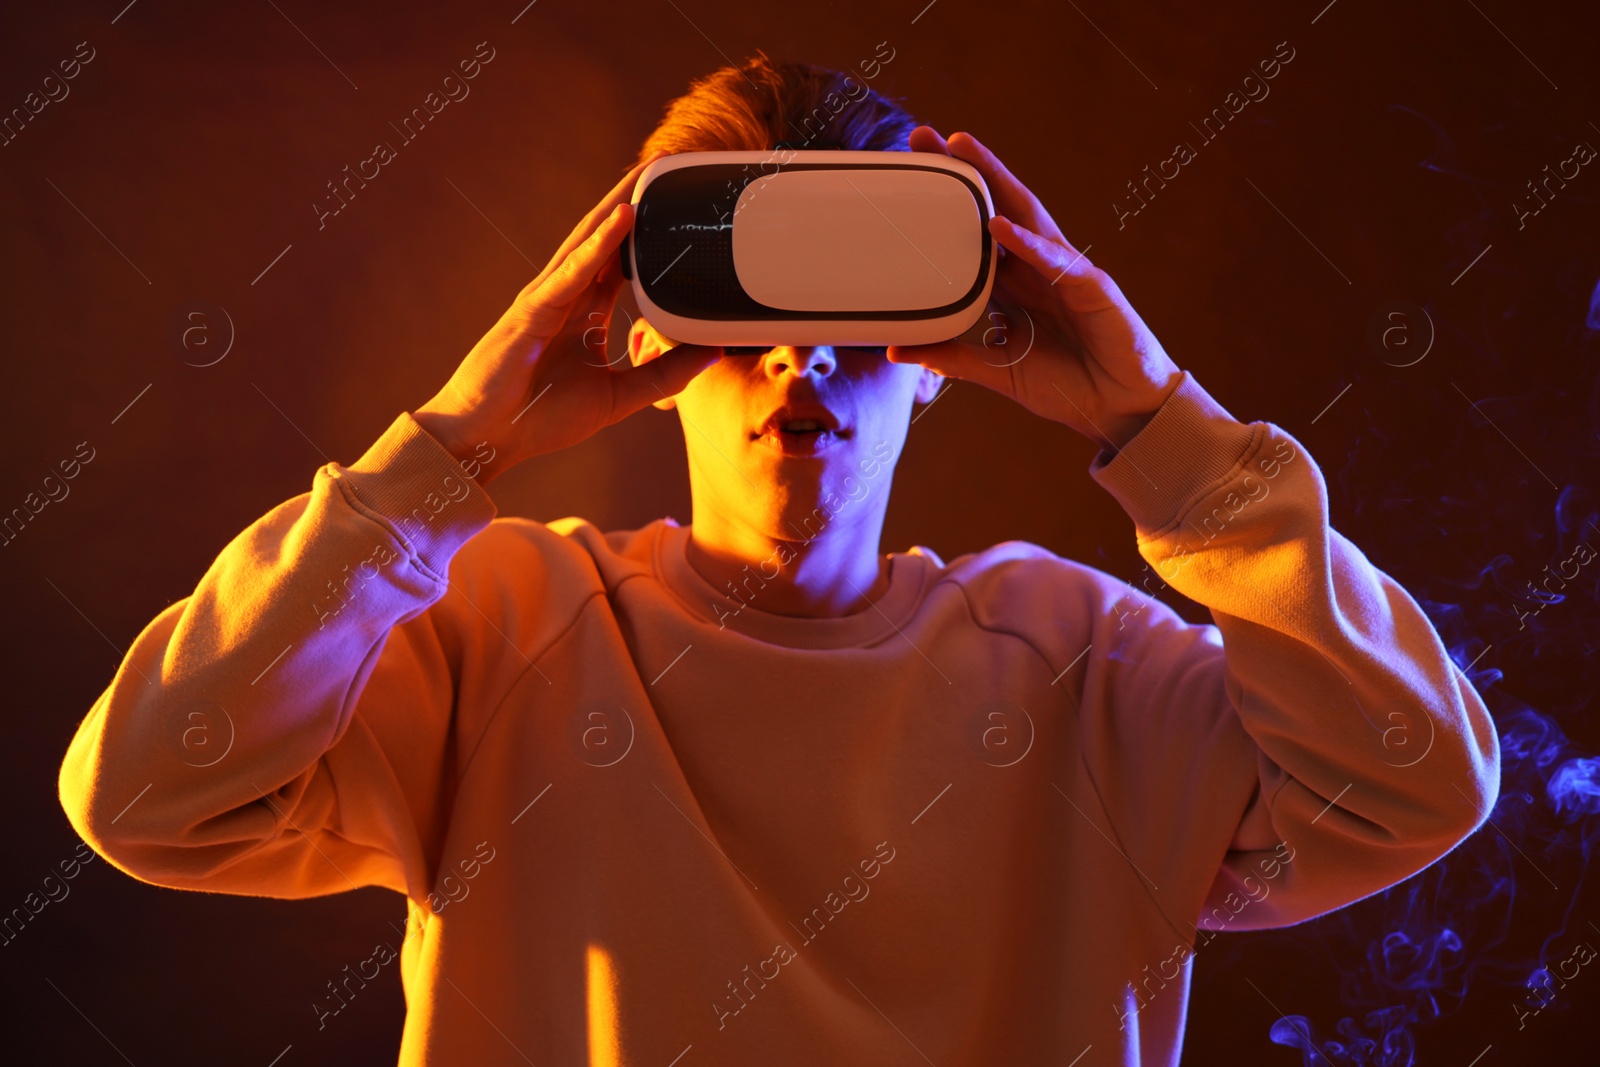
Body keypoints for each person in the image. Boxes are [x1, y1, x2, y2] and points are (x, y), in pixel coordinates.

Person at [58, 54, 1500, 1066]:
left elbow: (1420, 780)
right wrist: (452, 449)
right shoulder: (495, 630)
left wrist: (1162, 424)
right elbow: (147, 794)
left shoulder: (1091, 668)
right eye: (741, 288)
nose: (802, 352)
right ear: (644, 325)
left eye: (861, 293)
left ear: (943, 355)